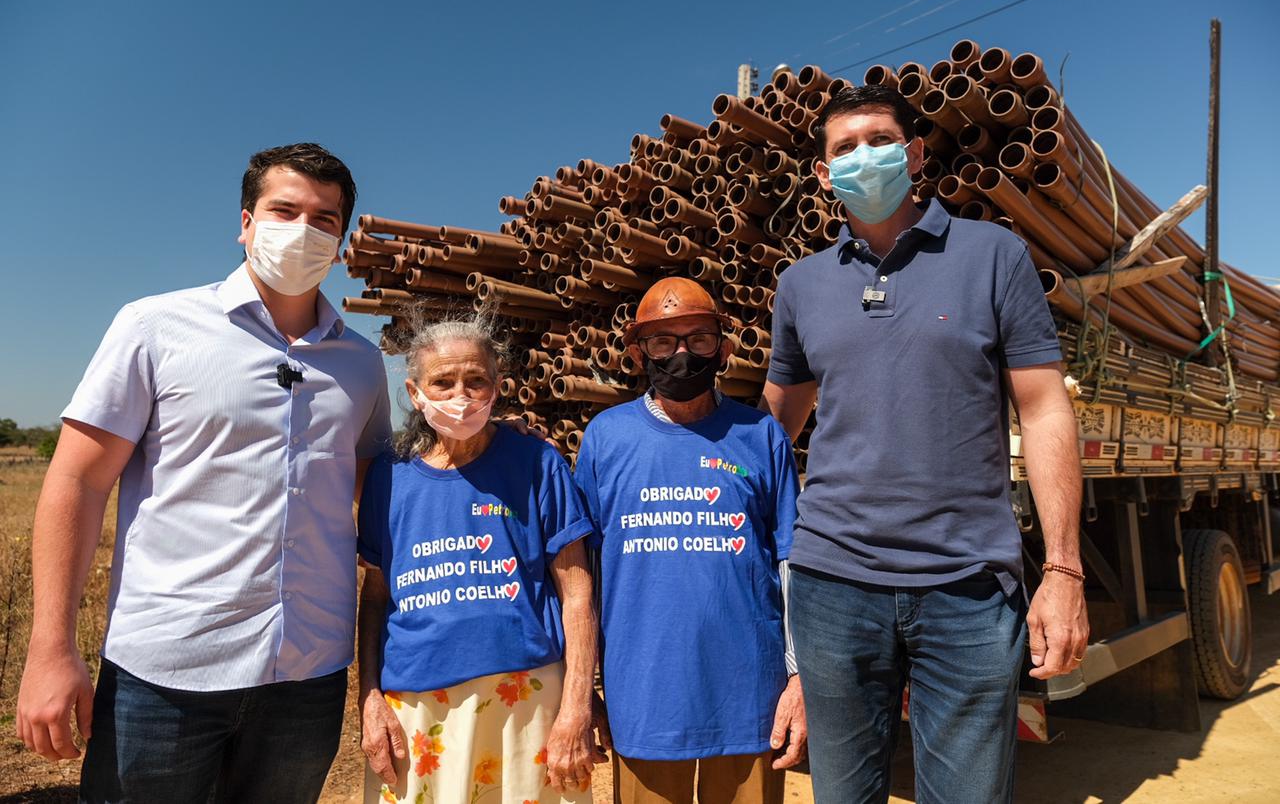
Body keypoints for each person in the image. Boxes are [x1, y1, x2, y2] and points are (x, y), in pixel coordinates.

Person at [16, 143, 392, 803]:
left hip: (308, 677)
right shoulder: (155, 328)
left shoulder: (361, 365)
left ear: (341, 242)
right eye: (284, 210)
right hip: (167, 673)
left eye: (325, 219)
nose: (302, 230)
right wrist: (50, 648)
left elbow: (374, 493)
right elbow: (77, 481)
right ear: (245, 223)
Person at [760, 84, 1088, 803]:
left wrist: (1063, 570)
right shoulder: (802, 286)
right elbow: (771, 432)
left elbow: (1043, 411)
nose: (862, 158)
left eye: (878, 140)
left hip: (966, 585)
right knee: (844, 796)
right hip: (832, 586)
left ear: (911, 153)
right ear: (822, 175)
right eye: (843, 149)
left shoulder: (994, 255)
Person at [574, 277, 805, 804]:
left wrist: (798, 678)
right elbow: (581, 570)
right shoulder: (606, 438)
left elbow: (791, 564)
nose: (681, 353)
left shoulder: (760, 435)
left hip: (750, 695)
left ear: (723, 349)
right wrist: (581, 686)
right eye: (662, 341)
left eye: (698, 339)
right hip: (646, 693)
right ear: (637, 353)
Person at [356, 311, 602, 804]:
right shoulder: (391, 477)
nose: (460, 396)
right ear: (414, 391)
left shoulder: (537, 463)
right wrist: (369, 700)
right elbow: (377, 597)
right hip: (418, 709)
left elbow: (576, 592)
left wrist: (576, 704)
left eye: (476, 380)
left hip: (529, 702)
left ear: (497, 387)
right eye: (442, 382)